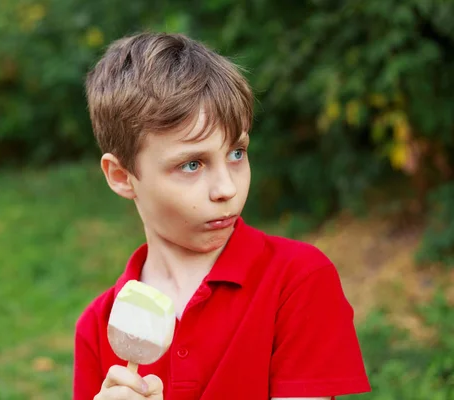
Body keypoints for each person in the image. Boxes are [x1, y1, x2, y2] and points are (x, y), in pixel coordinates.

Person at [74, 31, 371, 400]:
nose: (226, 189)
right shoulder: (98, 326)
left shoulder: (297, 280)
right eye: (192, 164)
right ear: (122, 176)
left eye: (236, 153)